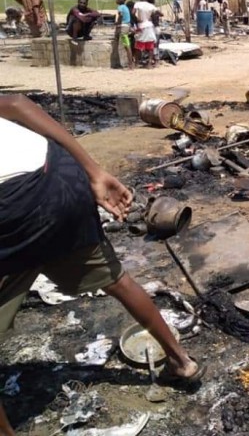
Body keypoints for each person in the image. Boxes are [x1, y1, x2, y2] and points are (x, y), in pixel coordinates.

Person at [0, 95, 206, 436]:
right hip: (57, 176)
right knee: (117, 280)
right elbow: (19, 104)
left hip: (12, 203)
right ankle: (182, 362)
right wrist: (94, 172)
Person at [132, 0, 158, 68]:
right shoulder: (151, 6)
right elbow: (159, 13)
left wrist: (137, 19)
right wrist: (152, 16)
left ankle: (136, 63)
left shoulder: (137, 4)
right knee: (150, 46)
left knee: (138, 46)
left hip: (141, 26)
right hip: (149, 26)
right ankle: (149, 64)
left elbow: (132, 13)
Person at [115, 0, 134, 70]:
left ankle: (129, 64)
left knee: (126, 46)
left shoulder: (120, 7)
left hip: (123, 27)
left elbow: (121, 16)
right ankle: (130, 64)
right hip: (127, 26)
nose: (116, 0)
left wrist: (117, 24)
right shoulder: (125, 7)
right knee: (127, 45)